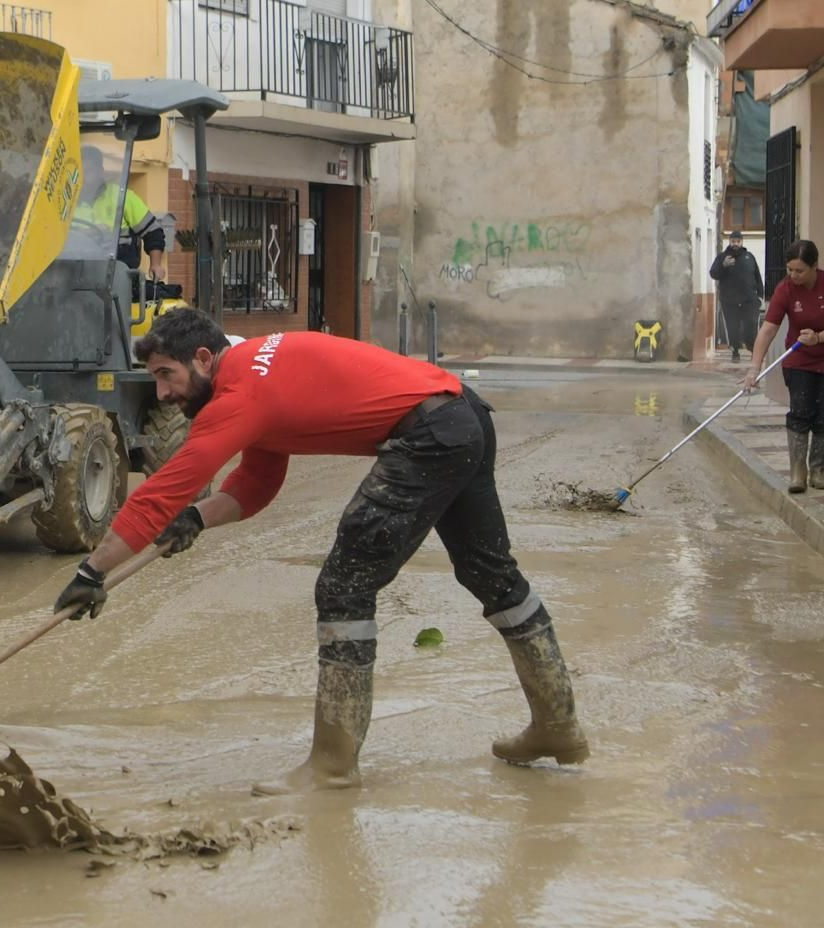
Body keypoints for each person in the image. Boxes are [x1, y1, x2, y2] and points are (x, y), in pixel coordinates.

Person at [53, 309, 588, 791]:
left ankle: (332, 766)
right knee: (489, 573)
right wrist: (196, 519)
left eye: (166, 375)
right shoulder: (255, 372)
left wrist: (92, 571)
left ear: (202, 358)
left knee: (344, 586)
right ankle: (557, 726)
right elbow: (257, 483)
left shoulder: (241, 393)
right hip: (460, 412)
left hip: (430, 431)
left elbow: (159, 492)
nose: (163, 394)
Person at [743, 239, 824, 492]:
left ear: (814, 267)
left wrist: (819, 338)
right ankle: (798, 473)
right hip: (798, 359)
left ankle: (819, 471)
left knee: (823, 417)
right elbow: (768, 330)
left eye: (799, 270)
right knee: (801, 412)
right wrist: (754, 368)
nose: (793, 275)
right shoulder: (786, 289)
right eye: (790, 269)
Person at [74, 145, 167, 281]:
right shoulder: (66, 204)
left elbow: (153, 232)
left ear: (100, 171)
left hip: (118, 275)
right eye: (79, 172)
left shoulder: (122, 197)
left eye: (88, 171)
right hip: (76, 275)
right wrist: (86, 234)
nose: (83, 178)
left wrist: (156, 265)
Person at [710, 231, 764, 363]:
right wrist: (723, 266)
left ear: (742, 242)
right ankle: (735, 351)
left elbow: (757, 276)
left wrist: (760, 296)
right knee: (732, 327)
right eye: (733, 241)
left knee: (750, 326)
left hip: (749, 300)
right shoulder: (722, 257)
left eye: (738, 241)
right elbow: (713, 274)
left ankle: (753, 350)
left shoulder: (749, 257)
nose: (735, 244)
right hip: (729, 300)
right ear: (730, 241)